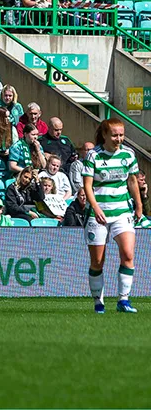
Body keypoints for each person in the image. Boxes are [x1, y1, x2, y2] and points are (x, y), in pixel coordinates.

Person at [84, 119, 143, 313]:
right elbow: (87, 186)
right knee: (98, 262)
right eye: (115, 135)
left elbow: (133, 181)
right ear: (104, 135)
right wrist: (96, 207)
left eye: (121, 135)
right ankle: (98, 302)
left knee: (128, 254)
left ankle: (123, 300)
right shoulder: (94, 155)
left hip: (122, 211)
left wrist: (139, 205)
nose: (119, 139)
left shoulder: (128, 154)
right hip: (98, 213)